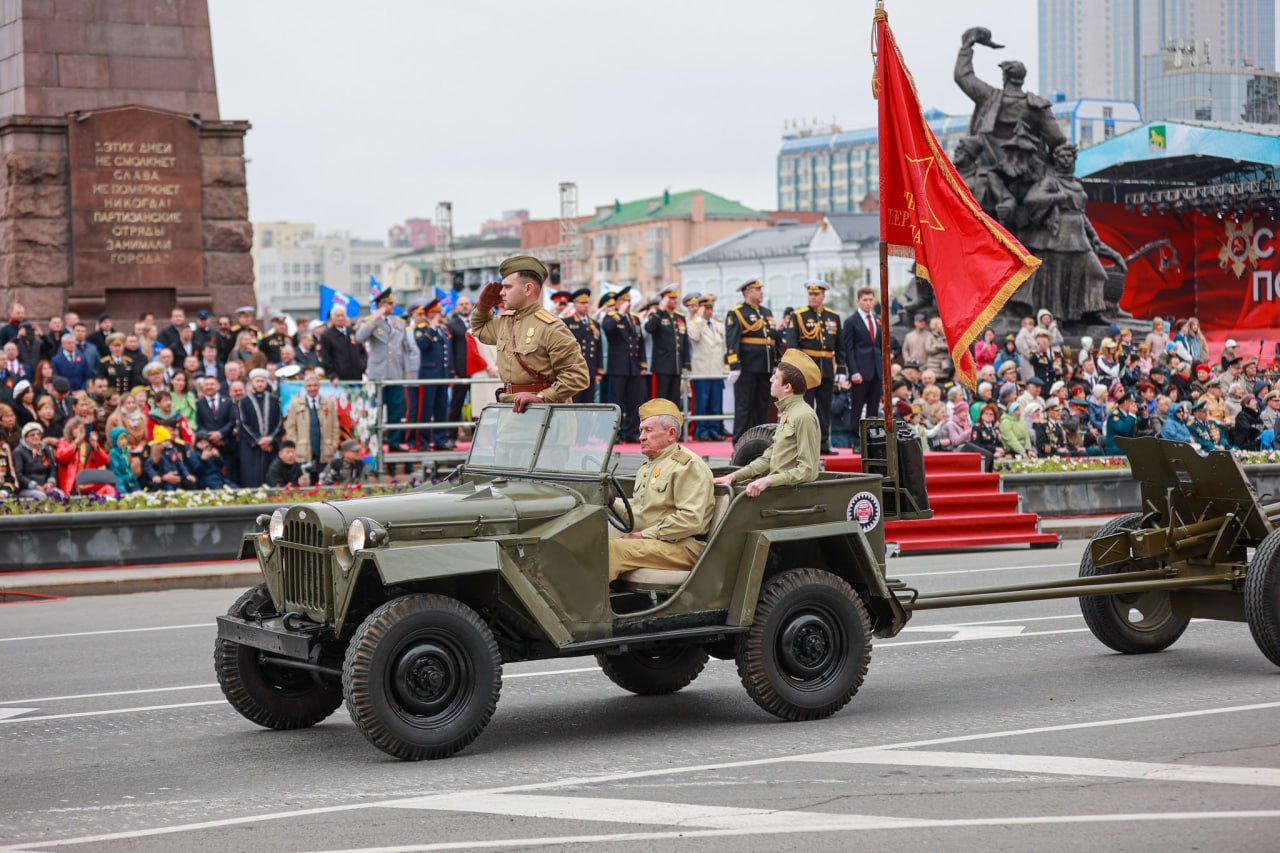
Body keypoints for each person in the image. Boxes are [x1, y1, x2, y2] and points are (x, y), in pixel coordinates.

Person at [606, 398, 715, 581]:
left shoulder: (687, 465)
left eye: (648, 430)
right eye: (641, 430)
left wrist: (644, 535)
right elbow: (642, 512)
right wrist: (607, 501)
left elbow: (690, 520)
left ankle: (586, 609)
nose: (641, 437)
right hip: (657, 541)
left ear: (671, 434)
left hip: (683, 546)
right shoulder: (649, 465)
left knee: (610, 550)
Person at [471, 255, 589, 415]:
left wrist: (542, 396)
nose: (502, 293)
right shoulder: (506, 322)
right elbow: (479, 329)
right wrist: (483, 307)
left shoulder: (551, 327)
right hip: (510, 409)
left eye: (507, 287)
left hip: (546, 413)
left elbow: (578, 375)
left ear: (527, 289)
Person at [714, 349, 822, 496]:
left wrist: (768, 481)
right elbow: (767, 458)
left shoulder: (803, 416)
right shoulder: (789, 412)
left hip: (790, 497)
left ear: (787, 387)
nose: (771, 380)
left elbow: (807, 471)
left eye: (776, 377)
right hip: (779, 491)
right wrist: (733, 476)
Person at [786, 280, 845, 454]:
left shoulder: (833, 316)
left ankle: (824, 443)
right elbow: (792, 346)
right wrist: (795, 370)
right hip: (806, 369)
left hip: (826, 367)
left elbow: (840, 346)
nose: (812, 297)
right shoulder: (799, 315)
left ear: (823, 295)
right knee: (806, 408)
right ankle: (805, 445)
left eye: (816, 294)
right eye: (810, 294)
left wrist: (841, 368)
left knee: (825, 408)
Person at [357, 289, 418, 450]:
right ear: (380, 305)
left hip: (395, 373)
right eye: (387, 303)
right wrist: (374, 318)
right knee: (375, 412)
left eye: (391, 303)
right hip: (377, 374)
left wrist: (407, 374)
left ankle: (394, 442)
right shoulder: (371, 321)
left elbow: (404, 349)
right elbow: (359, 337)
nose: (391, 306)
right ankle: (374, 443)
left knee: (396, 411)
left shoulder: (399, 322)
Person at [725, 278, 779, 442]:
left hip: (765, 365)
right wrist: (734, 365)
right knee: (744, 406)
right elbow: (732, 341)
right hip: (747, 366)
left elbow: (773, 339)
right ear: (748, 292)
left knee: (762, 406)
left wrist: (777, 363)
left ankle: (759, 441)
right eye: (757, 289)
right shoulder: (737, 312)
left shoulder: (766, 312)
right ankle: (739, 441)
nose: (761, 292)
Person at [841, 286, 884, 452]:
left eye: (871, 300)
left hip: (876, 370)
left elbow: (879, 345)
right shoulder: (851, 321)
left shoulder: (877, 319)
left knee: (874, 407)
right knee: (857, 407)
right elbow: (848, 349)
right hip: (860, 370)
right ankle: (855, 440)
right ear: (858, 301)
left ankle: (871, 441)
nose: (868, 303)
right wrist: (853, 371)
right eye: (865, 300)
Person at [599, 288, 647, 440]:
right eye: (625, 301)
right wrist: (619, 312)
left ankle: (632, 432)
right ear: (618, 302)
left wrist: (643, 364)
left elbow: (640, 342)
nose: (628, 304)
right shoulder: (612, 317)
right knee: (617, 402)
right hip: (618, 368)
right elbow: (607, 328)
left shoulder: (634, 318)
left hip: (634, 367)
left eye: (629, 301)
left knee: (635, 402)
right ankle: (615, 433)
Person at [412, 298, 454, 450]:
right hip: (428, 375)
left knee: (441, 409)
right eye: (436, 313)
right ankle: (422, 442)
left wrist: (450, 373)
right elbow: (423, 345)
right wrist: (432, 326)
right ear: (429, 314)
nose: (440, 315)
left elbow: (447, 352)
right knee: (426, 410)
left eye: (439, 312)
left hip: (442, 376)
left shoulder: (442, 330)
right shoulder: (421, 329)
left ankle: (439, 440)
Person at [687, 293, 728, 440]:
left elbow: (723, 346)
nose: (709, 311)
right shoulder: (694, 324)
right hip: (702, 371)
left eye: (710, 308)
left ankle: (714, 430)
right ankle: (702, 431)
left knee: (716, 404)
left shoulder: (718, 325)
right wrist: (699, 317)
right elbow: (695, 336)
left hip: (716, 370)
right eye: (706, 308)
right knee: (702, 403)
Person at [644, 283, 690, 407]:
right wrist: (660, 310)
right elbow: (649, 328)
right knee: (661, 399)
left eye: (675, 298)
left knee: (674, 400)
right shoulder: (657, 315)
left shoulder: (680, 317)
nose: (674, 301)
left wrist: (686, 363)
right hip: (662, 366)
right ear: (664, 299)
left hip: (676, 366)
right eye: (671, 298)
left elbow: (684, 341)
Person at [284, 373, 339, 474]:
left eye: (315, 385)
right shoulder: (296, 404)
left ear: (319, 386)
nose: (312, 388)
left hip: (325, 450)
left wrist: (333, 445)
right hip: (303, 452)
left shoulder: (329, 403)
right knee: (305, 485)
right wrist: (296, 445)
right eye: (309, 386)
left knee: (324, 483)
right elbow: (290, 427)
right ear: (305, 387)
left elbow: (335, 426)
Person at [236, 368, 282, 487]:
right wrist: (258, 440)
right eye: (257, 381)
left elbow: (279, 422)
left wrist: (270, 439)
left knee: (271, 476)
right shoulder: (244, 401)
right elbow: (243, 423)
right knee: (252, 478)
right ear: (252, 383)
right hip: (251, 447)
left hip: (270, 447)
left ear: (266, 383)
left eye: (262, 381)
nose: (260, 383)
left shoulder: (274, 399)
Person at [54, 416, 115, 498]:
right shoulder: (64, 442)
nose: (80, 430)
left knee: (109, 489)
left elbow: (105, 461)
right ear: (70, 431)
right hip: (72, 485)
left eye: (82, 428)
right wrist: (75, 442)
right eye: (76, 428)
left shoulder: (90, 444)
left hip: (90, 483)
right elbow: (60, 457)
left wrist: (96, 447)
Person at [563, 288, 603, 404]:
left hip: (590, 370)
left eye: (587, 303)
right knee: (575, 402)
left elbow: (598, 348)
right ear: (575, 305)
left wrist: (599, 371)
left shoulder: (594, 324)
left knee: (588, 403)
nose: (585, 306)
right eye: (582, 303)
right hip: (574, 370)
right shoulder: (568, 322)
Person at [14, 420, 59, 500]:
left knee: (59, 495)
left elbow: (52, 468)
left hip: (45, 485)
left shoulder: (45, 449)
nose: (36, 437)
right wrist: (35, 486)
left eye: (38, 434)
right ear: (26, 437)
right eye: (32, 435)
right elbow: (19, 474)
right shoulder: (18, 452)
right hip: (27, 488)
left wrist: (50, 482)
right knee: (41, 496)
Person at [142, 425, 196, 491]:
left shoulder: (173, 451)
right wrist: (155, 476)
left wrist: (186, 475)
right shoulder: (154, 453)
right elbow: (148, 467)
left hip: (176, 476)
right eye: (165, 441)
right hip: (163, 479)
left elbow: (180, 464)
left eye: (168, 440)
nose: (168, 443)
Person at [320, 306, 366, 383]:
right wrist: (332, 376)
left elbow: (361, 352)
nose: (340, 318)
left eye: (342, 315)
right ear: (332, 318)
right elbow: (326, 358)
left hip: (357, 377)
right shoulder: (327, 336)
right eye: (338, 316)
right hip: (340, 379)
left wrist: (363, 367)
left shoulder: (352, 332)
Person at [107, 426, 141, 493]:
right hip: (120, 481)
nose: (124, 441)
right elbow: (116, 472)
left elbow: (129, 468)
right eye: (121, 439)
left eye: (125, 438)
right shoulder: (113, 453)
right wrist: (122, 489)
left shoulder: (126, 451)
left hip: (130, 479)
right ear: (115, 441)